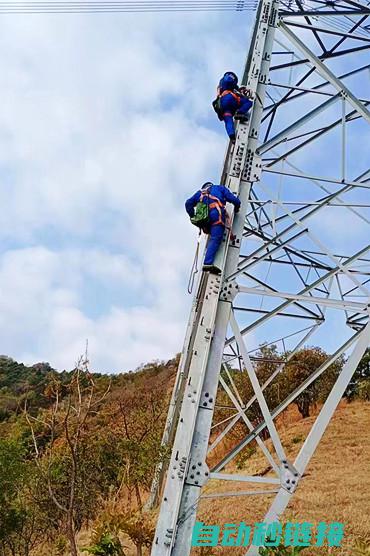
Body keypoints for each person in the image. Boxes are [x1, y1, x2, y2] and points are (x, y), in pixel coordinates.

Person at [185, 182, 241, 274]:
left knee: (212, 237)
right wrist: (237, 207)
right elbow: (234, 200)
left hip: (205, 220)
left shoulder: (199, 193)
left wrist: (193, 215)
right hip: (216, 216)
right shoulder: (219, 188)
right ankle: (207, 263)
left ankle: (208, 260)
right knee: (215, 239)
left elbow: (188, 203)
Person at [212, 71, 253, 143]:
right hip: (230, 99)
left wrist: (240, 91)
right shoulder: (226, 81)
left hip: (224, 106)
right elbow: (228, 79)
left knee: (228, 120)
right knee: (248, 102)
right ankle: (240, 113)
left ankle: (232, 137)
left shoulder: (221, 86)